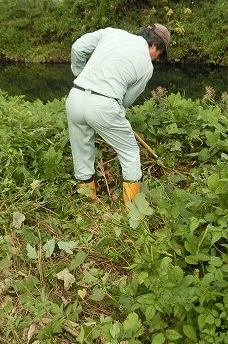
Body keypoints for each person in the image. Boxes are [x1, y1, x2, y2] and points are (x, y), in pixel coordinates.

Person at [65, 23, 170, 210]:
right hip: (103, 105)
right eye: (159, 54)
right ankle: (133, 210)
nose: (155, 58)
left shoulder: (110, 33)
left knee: (81, 151)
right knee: (129, 152)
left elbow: (78, 48)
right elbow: (127, 100)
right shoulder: (146, 65)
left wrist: (80, 74)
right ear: (155, 47)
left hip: (75, 96)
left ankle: (88, 205)